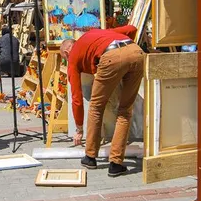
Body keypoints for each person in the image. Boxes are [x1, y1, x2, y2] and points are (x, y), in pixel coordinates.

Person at [60, 25, 144, 177]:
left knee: (96, 108)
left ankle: (90, 157)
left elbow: (76, 97)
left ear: (67, 52)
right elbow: (131, 28)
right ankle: (116, 164)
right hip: (136, 53)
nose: (67, 61)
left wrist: (79, 129)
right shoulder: (95, 34)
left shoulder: (72, 57)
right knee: (125, 111)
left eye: (65, 58)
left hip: (110, 56)